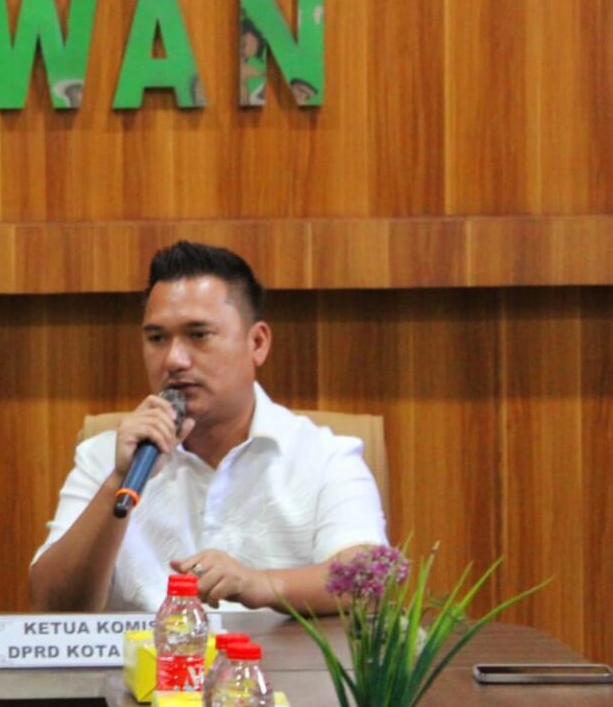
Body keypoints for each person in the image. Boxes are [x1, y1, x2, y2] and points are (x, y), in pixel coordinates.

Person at [27, 241, 386, 614]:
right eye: (157, 338)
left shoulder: (324, 457)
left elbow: (368, 581)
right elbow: (51, 606)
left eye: (198, 335)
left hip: (273, 654)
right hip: (142, 654)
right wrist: (118, 481)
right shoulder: (105, 457)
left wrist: (262, 584)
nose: (174, 360)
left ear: (257, 343)